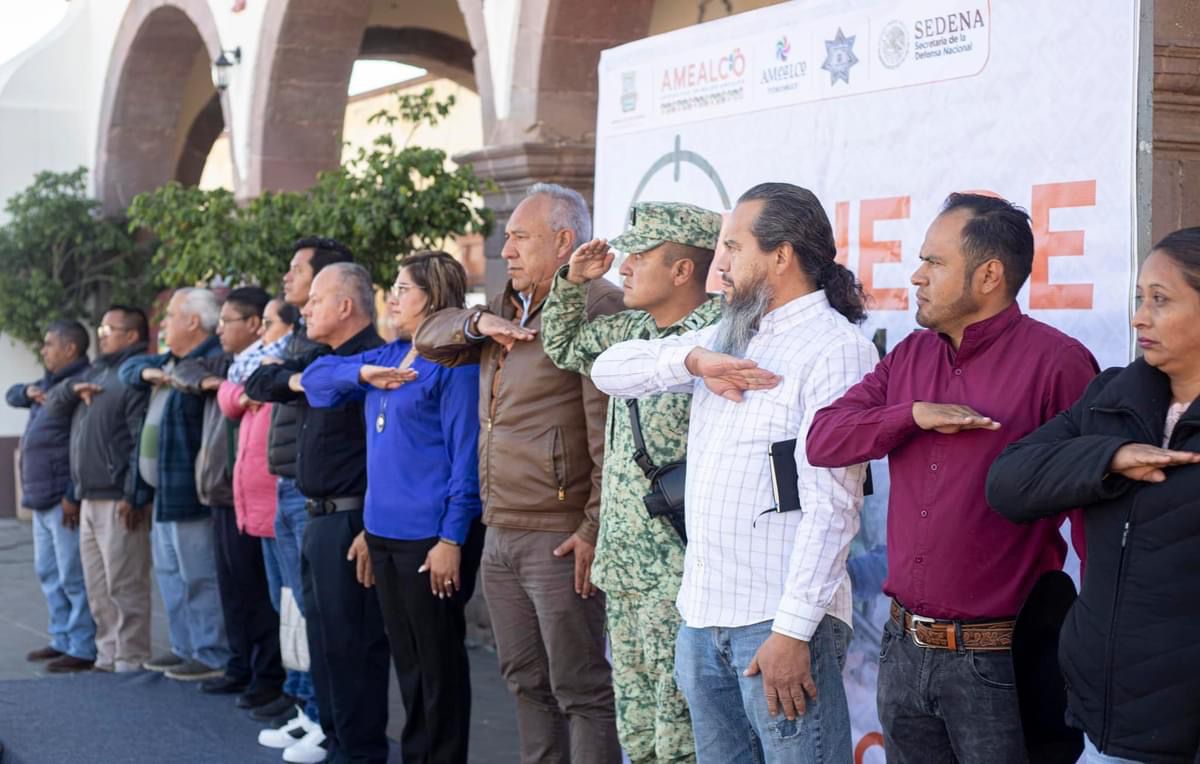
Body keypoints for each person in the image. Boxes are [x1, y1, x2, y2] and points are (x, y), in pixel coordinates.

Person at [805, 193, 1099, 763]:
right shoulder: (909, 357)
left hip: (1001, 663)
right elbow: (823, 440)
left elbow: (1089, 512)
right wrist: (911, 415)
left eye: (934, 263)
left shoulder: (1058, 363)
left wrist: (1099, 640)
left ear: (989, 275)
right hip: (901, 650)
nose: (916, 276)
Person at [591, 182, 876, 763]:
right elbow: (608, 369)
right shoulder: (729, 334)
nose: (718, 264)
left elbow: (833, 508)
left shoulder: (835, 348)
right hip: (702, 619)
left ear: (781, 256)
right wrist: (692, 359)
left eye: (733, 247)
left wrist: (793, 632)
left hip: (777, 625)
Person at [415, 182, 624, 764]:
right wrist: (480, 324)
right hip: (501, 527)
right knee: (524, 680)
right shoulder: (505, 306)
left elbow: (607, 430)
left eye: (519, 237)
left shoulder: (595, 304)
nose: (505, 249)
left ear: (564, 242)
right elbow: (428, 336)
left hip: (558, 534)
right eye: (506, 237)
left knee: (580, 689)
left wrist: (591, 528)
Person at [986, 226, 1200, 764]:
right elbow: (1009, 482)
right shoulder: (1112, 396)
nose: (1139, 317)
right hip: (1104, 726)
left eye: (1161, 300)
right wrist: (1108, 458)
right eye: (1138, 298)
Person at [540, 201, 723, 763]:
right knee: (638, 732)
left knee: (682, 737)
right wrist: (572, 281)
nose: (624, 266)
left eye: (639, 256)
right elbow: (564, 345)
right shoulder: (634, 328)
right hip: (627, 569)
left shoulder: (720, 337)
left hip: (680, 572)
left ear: (682, 270)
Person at [302, 252, 483, 764]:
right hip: (381, 534)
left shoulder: (453, 364)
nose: (393, 298)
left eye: (404, 289)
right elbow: (315, 378)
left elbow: (464, 460)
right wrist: (363, 374)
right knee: (408, 666)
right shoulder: (390, 356)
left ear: (433, 296)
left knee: (438, 669)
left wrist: (452, 539)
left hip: (430, 538)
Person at [248, 263, 390, 764]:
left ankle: (361, 750)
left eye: (315, 301)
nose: (303, 310)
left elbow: (384, 454)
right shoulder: (319, 359)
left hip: (353, 520)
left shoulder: (377, 360)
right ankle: (334, 738)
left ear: (346, 306)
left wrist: (372, 529)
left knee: (355, 646)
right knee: (323, 640)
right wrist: (303, 381)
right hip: (315, 518)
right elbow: (259, 381)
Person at [250, 237, 352, 732]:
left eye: (297, 270)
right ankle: (303, 705)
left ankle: (317, 712)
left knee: (313, 608)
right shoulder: (298, 343)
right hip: (289, 486)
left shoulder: (325, 348)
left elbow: (277, 380)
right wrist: (286, 378)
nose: (288, 279)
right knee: (290, 601)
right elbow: (254, 380)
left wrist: (287, 377)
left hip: (317, 495)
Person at [174, 286, 286, 711]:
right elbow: (186, 370)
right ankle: (240, 666)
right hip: (224, 491)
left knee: (259, 593)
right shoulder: (231, 364)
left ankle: (267, 676)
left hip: (254, 494)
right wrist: (215, 383)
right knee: (233, 590)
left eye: (228, 321)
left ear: (255, 325)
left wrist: (229, 390)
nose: (219, 329)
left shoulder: (265, 363)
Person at [120, 288, 230, 681]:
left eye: (169, 316)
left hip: (191, 491)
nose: (162, 324)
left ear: (193, 322)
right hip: (162, 490)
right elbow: (128, 370)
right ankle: (185, 647)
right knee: (170, 575)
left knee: (199, 575)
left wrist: (168, 372)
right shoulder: (167, 362)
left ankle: (212, 652)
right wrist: (148, 372)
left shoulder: (211, 361)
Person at [42, 306, 153, 673]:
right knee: (97, 589)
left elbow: (138, 439)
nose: (102, 333)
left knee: (125, 586)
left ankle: (131, 659)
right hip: (88, 497)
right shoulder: (95, 373)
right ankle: (106, 657)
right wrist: (74, 491)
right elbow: (62, 418)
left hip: (118, 499)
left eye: (110, 327)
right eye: (102, 327)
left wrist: (133, 493)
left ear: (132, 336)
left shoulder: (133, 376)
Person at [218, 296, 300, 723]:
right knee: (272, 599)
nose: (263, 333)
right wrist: (235, 391)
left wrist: (237, 391)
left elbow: (239, 394)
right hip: (253, 501)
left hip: (279, 500)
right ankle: (287, 688)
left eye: (268, 323)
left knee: (289, 605)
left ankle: (295, 693)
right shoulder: (251, 367)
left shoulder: (286, 361)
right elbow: (231, 398)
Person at [6, 320, 95, 673]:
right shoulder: (48, 384)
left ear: (70, 349)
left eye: (49, 345)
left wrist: (72, 494)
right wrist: (27, 392)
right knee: (48, 571)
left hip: (62, 499)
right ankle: (61, 638)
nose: (43, 351)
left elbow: (82, 444)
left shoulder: (80, 383)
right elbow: (11, 393)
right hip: (41, 497)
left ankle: (82, 645)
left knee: (72, 574)